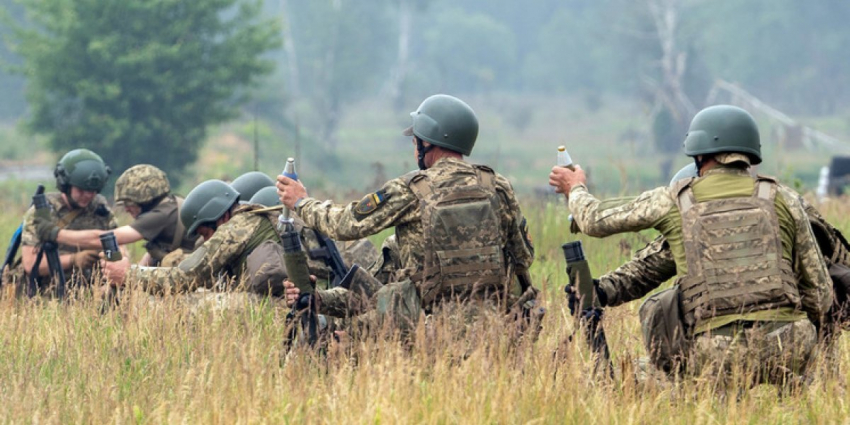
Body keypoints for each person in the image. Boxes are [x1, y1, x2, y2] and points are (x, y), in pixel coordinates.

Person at [550, 105, 833, 386]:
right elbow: (820, 294)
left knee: (633, 375)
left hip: (717, 353)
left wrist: (575, 187)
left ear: (699, 154)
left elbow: (594, 220)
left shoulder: (677, 201)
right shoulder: (785, 199)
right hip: (792, 346)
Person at [277, 94, 536, 337]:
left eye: (415, 142)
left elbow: (345, 224)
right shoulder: (496, 185)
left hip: (427, 332)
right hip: (497, 330)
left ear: (427, 143)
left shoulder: (412, 189)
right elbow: (524, 257)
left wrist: (302, 202)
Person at [34, 164, 200, 267]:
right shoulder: (170, 205)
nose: (127, 209)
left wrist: (54, 233)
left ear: (144, 199)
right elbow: (153, 253)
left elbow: (106, 238)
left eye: (129, 203)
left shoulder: (160, 215)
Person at [19, 149, 119, 295]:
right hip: (47, 293)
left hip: (92, 292)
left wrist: (106, 259)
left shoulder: (101, 210)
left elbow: (120, 251)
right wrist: (73, 260)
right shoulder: (43, 213)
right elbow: (30, 264)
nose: (88, 195)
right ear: (65, 185)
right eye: (81, 190)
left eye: (93, 191)